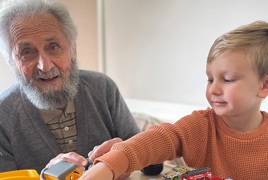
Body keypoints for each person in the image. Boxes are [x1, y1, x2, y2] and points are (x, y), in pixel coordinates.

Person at [79, 20, 268, 180]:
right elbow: (154, 140)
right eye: (210, 79)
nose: (214, 89)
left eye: (227, 80)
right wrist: (107, 166)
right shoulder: (199, 126)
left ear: (264, 85)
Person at [0, 0, 140, 174]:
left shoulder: (103, 88)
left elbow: (149, 159)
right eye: (27, 52)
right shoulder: (3, 115)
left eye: (53, 47)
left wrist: (129, 157)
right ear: (10, 62)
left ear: (73, 48)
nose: (45, 66)